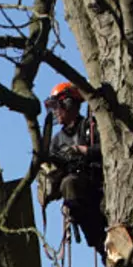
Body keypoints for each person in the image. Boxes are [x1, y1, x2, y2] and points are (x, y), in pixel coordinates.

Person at [42, 82, 107, 257]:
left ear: (69, 104)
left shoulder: (89, 127)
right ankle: (99, 244)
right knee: (68, 184)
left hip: (96, 185)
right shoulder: (57, 140)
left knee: (70, 184)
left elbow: (109, 149)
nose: (55, 111)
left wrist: (83, 150)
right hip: (76, 196)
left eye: (58, 106)